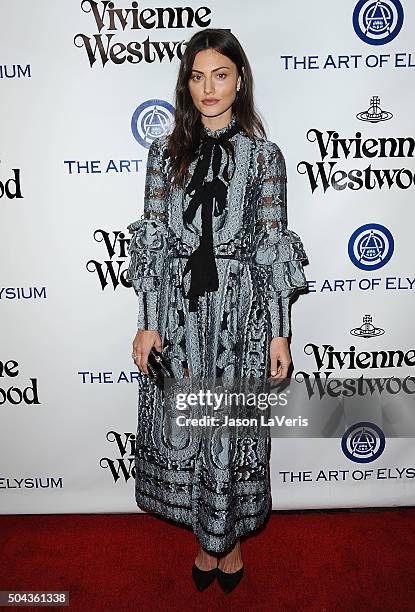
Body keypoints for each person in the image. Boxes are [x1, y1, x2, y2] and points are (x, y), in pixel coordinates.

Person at [127, 28, 308, 593]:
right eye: (198, 76)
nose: (209, 87)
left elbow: (272, 246)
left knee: (229, 429)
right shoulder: (163, 155)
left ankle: (226, 547)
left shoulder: (264, 157)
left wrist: (279, 333)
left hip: (242, 315)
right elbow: (155, 241)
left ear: (240, 79)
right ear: (186, 84)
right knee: (192, 426)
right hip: (181, 314)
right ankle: (206, 542)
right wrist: (148, 321)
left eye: (220, 75)